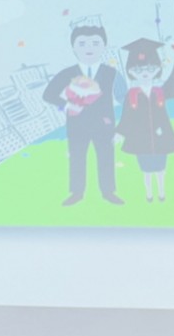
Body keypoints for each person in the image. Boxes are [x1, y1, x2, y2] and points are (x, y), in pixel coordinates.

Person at [42, 24, 126, 206]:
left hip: (104, 124)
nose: (89, 48)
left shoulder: (111, 73)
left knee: (106, 157)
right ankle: (77, 193)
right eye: (82, 44)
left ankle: (108, 192)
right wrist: (67, 105)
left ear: (104, 46)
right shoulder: (67, 73)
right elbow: (48, 94)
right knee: (77, 157)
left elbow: (124, 98)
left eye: (95, 43)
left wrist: (122, 128)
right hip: (77, 124)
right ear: (73, 47)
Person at [114, 38, 174, 202]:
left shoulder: (160, 91)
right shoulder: (132, 95)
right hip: (140, 138)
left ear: (157, 69)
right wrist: (120, 133)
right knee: (146, 170)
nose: (145, 73)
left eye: (150, 69)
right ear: (131, 72)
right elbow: (126, 116)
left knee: (161, 169)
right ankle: (149, 194)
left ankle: (162, 192)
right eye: (138, 69)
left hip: (160, 136)